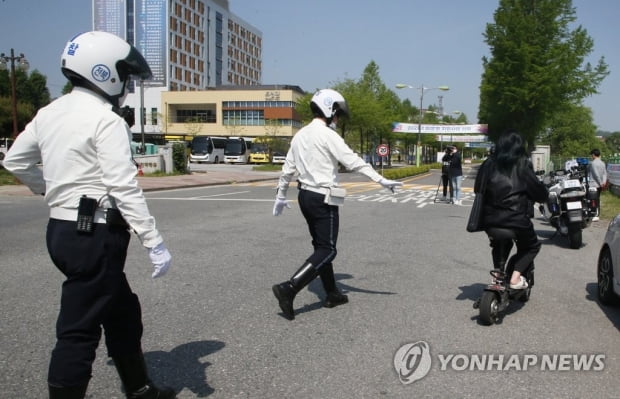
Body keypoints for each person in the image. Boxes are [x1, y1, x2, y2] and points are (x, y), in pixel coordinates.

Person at [3, 31, 175, 399]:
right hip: (95, 234)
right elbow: (123, 186)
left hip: (62, 231)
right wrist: (153, 240)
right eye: (123, 74)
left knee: (122, 310)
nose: (126, 83)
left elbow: (15, 159)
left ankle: (140, 388)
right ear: (103, 72)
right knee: (78, 330)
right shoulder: (105, 119)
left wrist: (51, 190)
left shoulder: (50, 111)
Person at [271, 89, 403, 320]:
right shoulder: (328, 135)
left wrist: (281, 195)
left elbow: (287, 169)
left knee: (321, 246)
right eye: (338, 113)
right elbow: (353, 161)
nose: (338, 118)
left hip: (304, 196)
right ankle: (289, 288)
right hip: (323, 197)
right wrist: (381, 180)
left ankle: (332, 293)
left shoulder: (300, 134)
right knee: (328, 250)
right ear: (330, 109)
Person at [474, 129, 548, 289]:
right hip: (517, 219)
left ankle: (498, 277)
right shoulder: (523, 164)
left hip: (491, 220)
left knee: (499, 243)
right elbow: (539, 193)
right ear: (520, 147)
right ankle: (514, 279)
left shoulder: (488, 164)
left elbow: (477, 188)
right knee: (532, 246)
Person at [588, 148, 607, 222]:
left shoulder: (593, 163)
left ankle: (595, 214)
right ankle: (596, 214)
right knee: (597, 199)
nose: (591, 157)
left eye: (591, 155)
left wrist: (600, 182)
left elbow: (596, 175)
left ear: (593, 155)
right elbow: (605, 173)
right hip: (600, 184)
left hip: (594, 184)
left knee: (593, 199)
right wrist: (603, 182)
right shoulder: (603, 163)